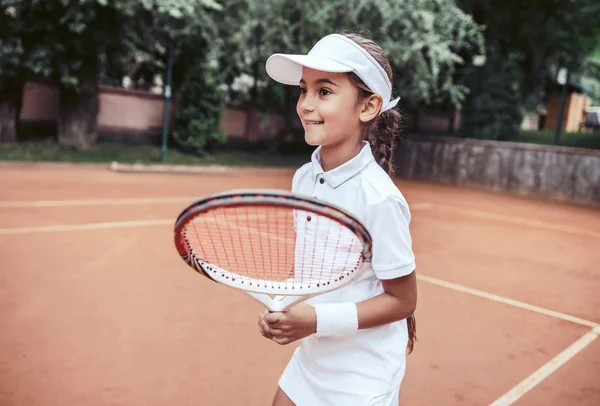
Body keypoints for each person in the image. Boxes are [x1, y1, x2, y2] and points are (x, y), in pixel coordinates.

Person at [257, 32, 418, 406]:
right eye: (303, 90)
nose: (305, 105)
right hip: (316, 357)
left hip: (362, 377)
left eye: (324, 91)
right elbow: (314, 269)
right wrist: (284, 305)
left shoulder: (379, 200)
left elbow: (403, 301)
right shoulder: (305, 178)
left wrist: (315, 321)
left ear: (367, 107)